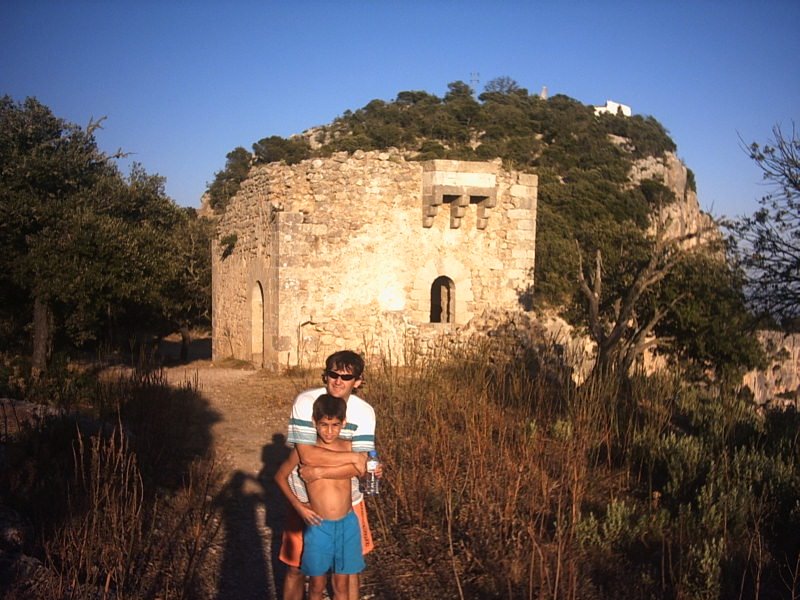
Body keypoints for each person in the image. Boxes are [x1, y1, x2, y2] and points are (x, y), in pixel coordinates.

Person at [277, 350, 376, 600]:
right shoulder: (306, 401)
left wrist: (321, 470)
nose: (338, 381)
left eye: (346, 376)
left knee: (348, 572)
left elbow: (359, 466)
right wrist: (352, 458)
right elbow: (306, 456)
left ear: (358, 381)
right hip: (305, 500)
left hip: (348, 503)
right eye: (333, 374)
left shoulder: (364, 412)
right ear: (325, 375)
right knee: (297, 567)